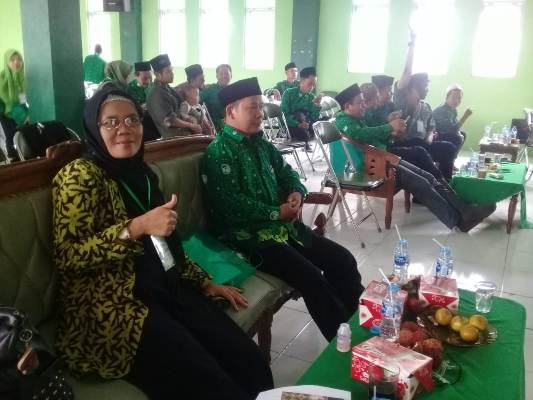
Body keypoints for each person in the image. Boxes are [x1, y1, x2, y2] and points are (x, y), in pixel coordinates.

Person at [52, 86, 273, 400]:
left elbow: (166, 246)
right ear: (93, 127)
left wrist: (203, 281)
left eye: (132, 119)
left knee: (251, 364)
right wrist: (136, 227)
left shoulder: (142, 173)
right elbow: (69, 256)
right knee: (213, 385)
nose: (124, 129)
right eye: (111, 122)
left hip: (167, 288)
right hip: (117, 308)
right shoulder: (79, 176)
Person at [201, 77, 364, 341]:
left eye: (260, 107)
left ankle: (361, 327)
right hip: (247, 240)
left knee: (342, 259)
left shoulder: (261, 144)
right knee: (311, 277)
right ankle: (346, 347)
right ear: (231, 111)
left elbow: (288, 173)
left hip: (282, 228)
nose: (260, 114)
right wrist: (276, 212)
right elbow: (231, 205)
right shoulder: (219, 152)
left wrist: (296, 193)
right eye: (252, 107)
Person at [333, 84, 495, 232]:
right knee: (421, 183)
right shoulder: (344, 122)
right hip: (372, 167)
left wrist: (391, 132)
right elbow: (361, 134)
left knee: (428, 176)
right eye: (360, 103)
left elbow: (371, 137)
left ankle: (464, 209)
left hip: (381, 159)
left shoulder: (355, 119)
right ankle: (458, 221)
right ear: (347, 106)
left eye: (364, 102)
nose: (364, 105)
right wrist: (389, 126)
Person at [392, 31, 457, 181]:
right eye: (424, 85)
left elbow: (431, 127)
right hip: (406, 145)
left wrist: (429, 137)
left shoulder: (425, 107)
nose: (427, 89)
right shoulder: (401, 101)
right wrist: (412, 43)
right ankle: (437, 183)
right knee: (419, 148)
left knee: (449, 148)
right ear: (412, 86)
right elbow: (407, 71)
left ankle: (446, 182)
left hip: (423, 143)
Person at [146, 54, 202, 137]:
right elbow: (170, 120)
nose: (172, 74)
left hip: (183, 133)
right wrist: (191, 125)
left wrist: (188, 118)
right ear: (157, 74)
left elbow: (180, 105)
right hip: (174, 138)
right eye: (168, 72)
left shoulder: (167, 88)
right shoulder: (157, 94)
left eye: (171, 70)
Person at [280, 66, 322, 151]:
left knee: (324, 122)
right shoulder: (289, 93)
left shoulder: (311, 97)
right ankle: (306, 138)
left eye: (314, 85)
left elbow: (314, 117)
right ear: (302, 81)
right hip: (290, 126)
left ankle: (307, 136)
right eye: (310, 84)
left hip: (306, 125)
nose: (312, 87)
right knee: (300, 115)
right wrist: (297, 124)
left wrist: (317, 106)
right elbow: (283, 115)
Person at [0, 49, 29, 160]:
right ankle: (13, 159)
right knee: (10, 138)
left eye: (19, 59)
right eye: (12, 60)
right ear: (7, 62)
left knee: (24, 136)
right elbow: (7, 102)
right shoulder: (2, 79)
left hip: (19, 112)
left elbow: (22, 99)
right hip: (5, 113)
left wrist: (26, 112)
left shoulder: (21, 78)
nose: (16, 62)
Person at [433, 84, 471, 153]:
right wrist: (465, 116)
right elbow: (451, 130)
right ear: (447, 98)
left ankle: (453, 157)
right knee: (457, 138)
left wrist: (459, 133)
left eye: (459, 98)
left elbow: (455, 126)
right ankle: (449, 158)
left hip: (445, 133)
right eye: (453, 98)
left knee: (463, 134)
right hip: (436, 136)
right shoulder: (442, 110)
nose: (456, 101)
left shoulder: (453, 109)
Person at [200, 64, 232, 131]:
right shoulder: (210, 89)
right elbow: (196, 100)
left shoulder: (236, 90)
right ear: (217, 76)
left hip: (233, 126)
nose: (224, 76)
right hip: (215, 127)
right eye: (221, 74)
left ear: (231, 75)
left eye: (226, 73)